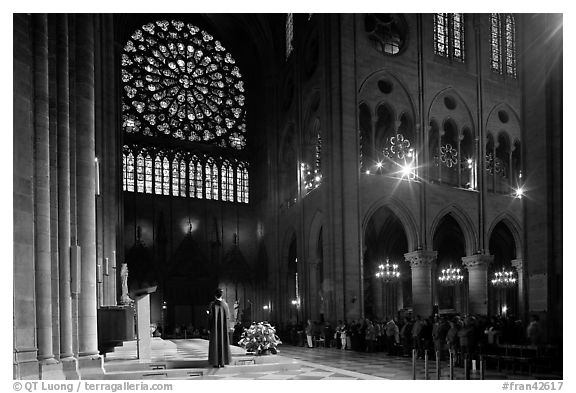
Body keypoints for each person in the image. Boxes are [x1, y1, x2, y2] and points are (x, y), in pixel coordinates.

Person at [207, 288, 232, 368]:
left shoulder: (212, 305)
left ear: (215, 296)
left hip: (215, 329)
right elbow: (228, 317)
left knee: (215, 343)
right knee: (223, 343)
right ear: (222, 295)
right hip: (223, 329)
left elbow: (210, 317)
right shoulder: (225, 305)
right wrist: (228, 328)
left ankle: (215, 362)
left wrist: (209, 328)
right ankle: (223, 362)